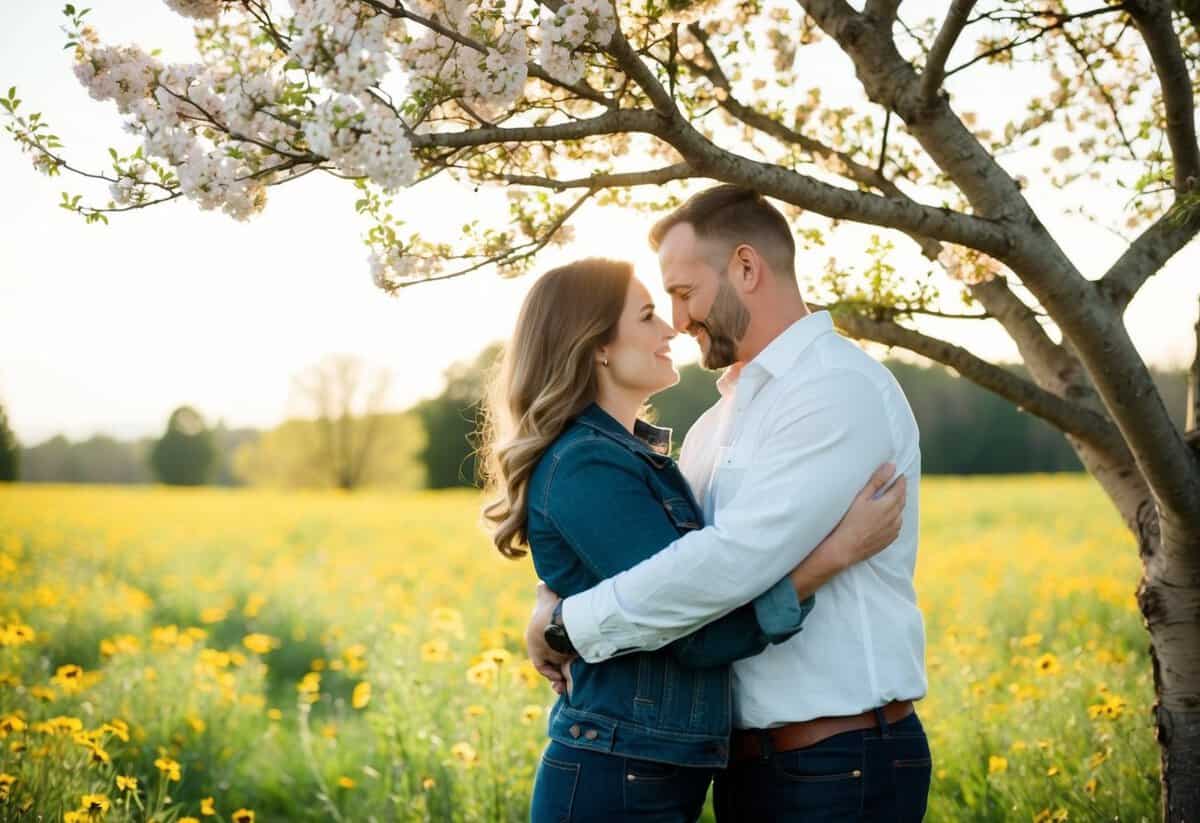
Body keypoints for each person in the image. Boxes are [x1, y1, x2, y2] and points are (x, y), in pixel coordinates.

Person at [524, 186, 931, 822]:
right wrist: (550, 599)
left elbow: (730, 562)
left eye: (684, 295)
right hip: (744, 764)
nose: (679, 322)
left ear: (745, 267)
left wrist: (570, 625)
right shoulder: (720, 420)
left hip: (836, 756)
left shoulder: (832, 388)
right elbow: (656, 563)